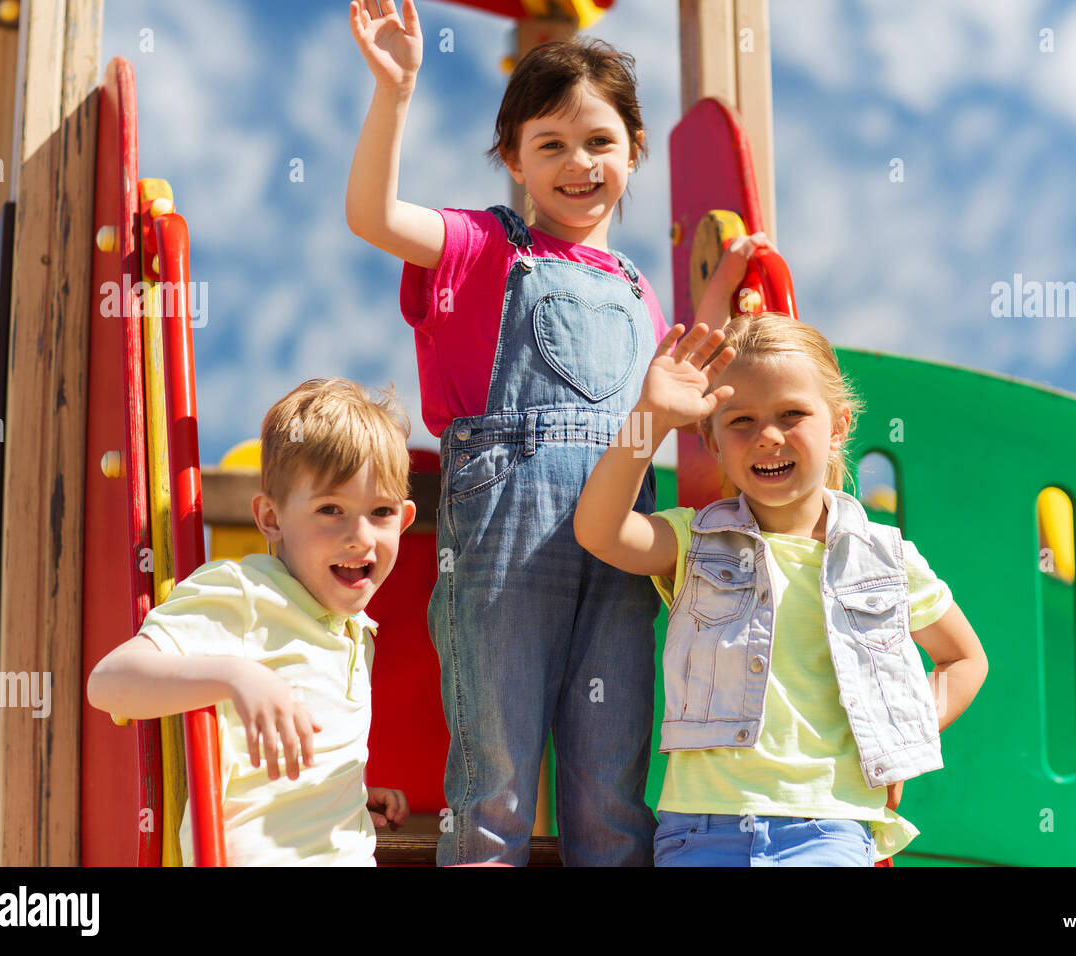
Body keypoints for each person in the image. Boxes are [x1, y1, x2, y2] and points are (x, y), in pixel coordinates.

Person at [345, 0, 767, 865]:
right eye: (551, 145)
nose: (579, 164)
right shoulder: (480, 248)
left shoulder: (641, 292)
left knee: (611, 787)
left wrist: (728, 294)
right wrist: (394, 92)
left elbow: (689, 382)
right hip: (504, 545)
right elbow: (373, 216)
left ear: (634, 151)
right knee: (495, 774)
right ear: (514, 160)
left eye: (600, 141)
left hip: (617, 552)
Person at [575, 314, 989, 866]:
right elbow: (600, 530)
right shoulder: (695, 541)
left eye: (792, 413)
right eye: (741, 420)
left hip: (830, 827)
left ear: (839, 425)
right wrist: (648, 420)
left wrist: (894, 735)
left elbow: (965, 659)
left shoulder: (885, 558)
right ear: (713, 442)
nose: (768, 435)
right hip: (702, 827)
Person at [87, 379, 416, 866]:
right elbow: (109, 683)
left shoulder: (353, 631)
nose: (359, 537)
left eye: (381, 512)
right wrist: (236, 676)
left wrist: (345, 793)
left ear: (404, 520)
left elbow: (276, 776)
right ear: (271, 517)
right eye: (331, 509)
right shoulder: (245, 593)